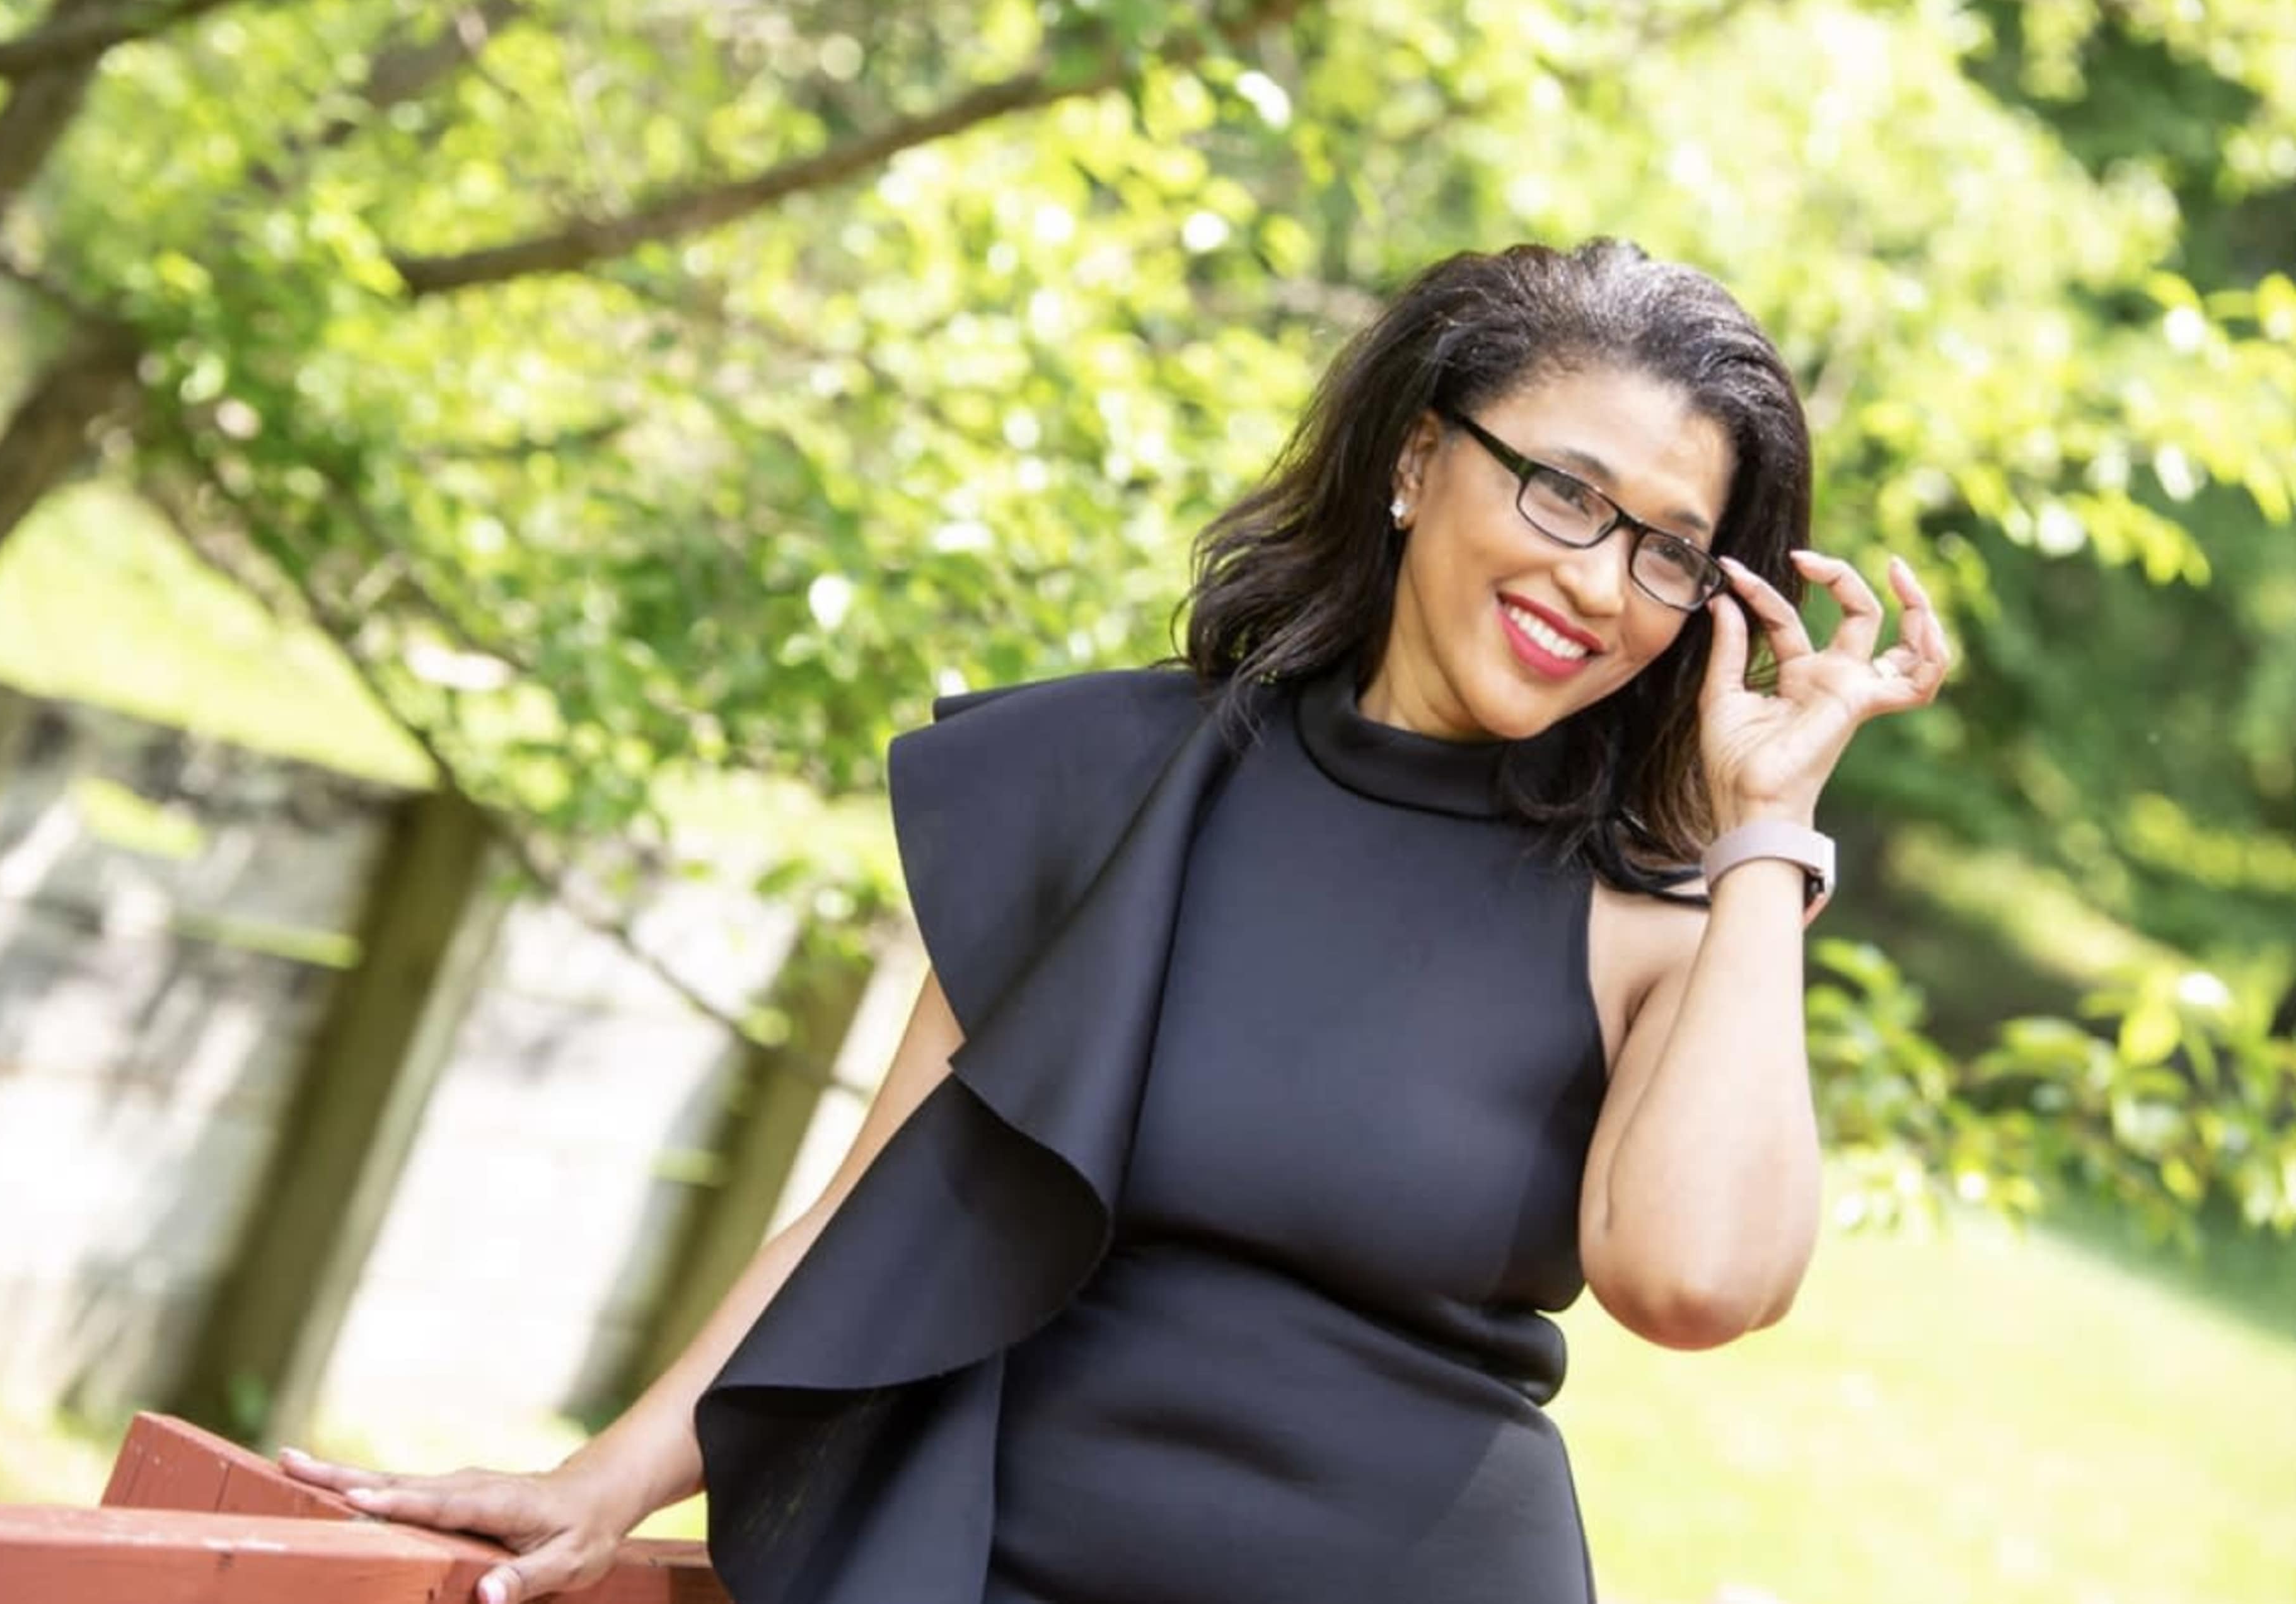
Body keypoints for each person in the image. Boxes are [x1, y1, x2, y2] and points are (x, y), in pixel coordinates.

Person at [282, 238, 1951, 1603]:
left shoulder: (1659, 914)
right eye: (1565, 497)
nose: (1599, 582)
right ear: (1417, 460)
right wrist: (611, 1475)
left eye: (1671, 551)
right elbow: (884, 1197)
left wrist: (1765, 837)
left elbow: (1695, 1283)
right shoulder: (1114, 784)